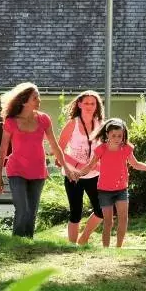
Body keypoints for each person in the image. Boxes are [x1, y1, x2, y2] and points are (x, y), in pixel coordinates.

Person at [0, 82, 76, 238]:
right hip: (16, 170)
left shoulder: (44, 119)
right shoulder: (11, 121)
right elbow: (2, 150)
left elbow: (55, 145)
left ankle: (28, 243)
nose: (39, 100)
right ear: (24, 101)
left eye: (38, 96)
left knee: (32, 211)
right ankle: (17, 242)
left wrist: (66, 167)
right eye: (35, 97)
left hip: (38, 171)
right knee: (22, 209)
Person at [77, 118, 146, 248]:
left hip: (121, 189)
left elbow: (135, 164)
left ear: (123, 135)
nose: (117, 138)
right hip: (104, 191)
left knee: (123, 219)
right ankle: (106, 248)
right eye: (114, 135)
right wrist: (77, 174)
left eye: (120, 136)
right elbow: (90, 165)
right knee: (108, 222)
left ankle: (118, 248)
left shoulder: (126, 148)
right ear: (107, 135)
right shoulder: (101, 149)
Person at [57, 90, 105, 245]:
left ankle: (83, 238)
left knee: (102, 210)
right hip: (73, 174)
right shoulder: (73, 123)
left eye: (93, 103)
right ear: (79, 104)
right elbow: (59, 151)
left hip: (94, 174)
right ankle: (72, 247)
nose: (89, 106)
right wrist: (79, 165)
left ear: (97, 106)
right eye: (86, 103)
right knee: (75, 212)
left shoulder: (101, 124)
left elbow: (105, 149)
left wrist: (101, 165)